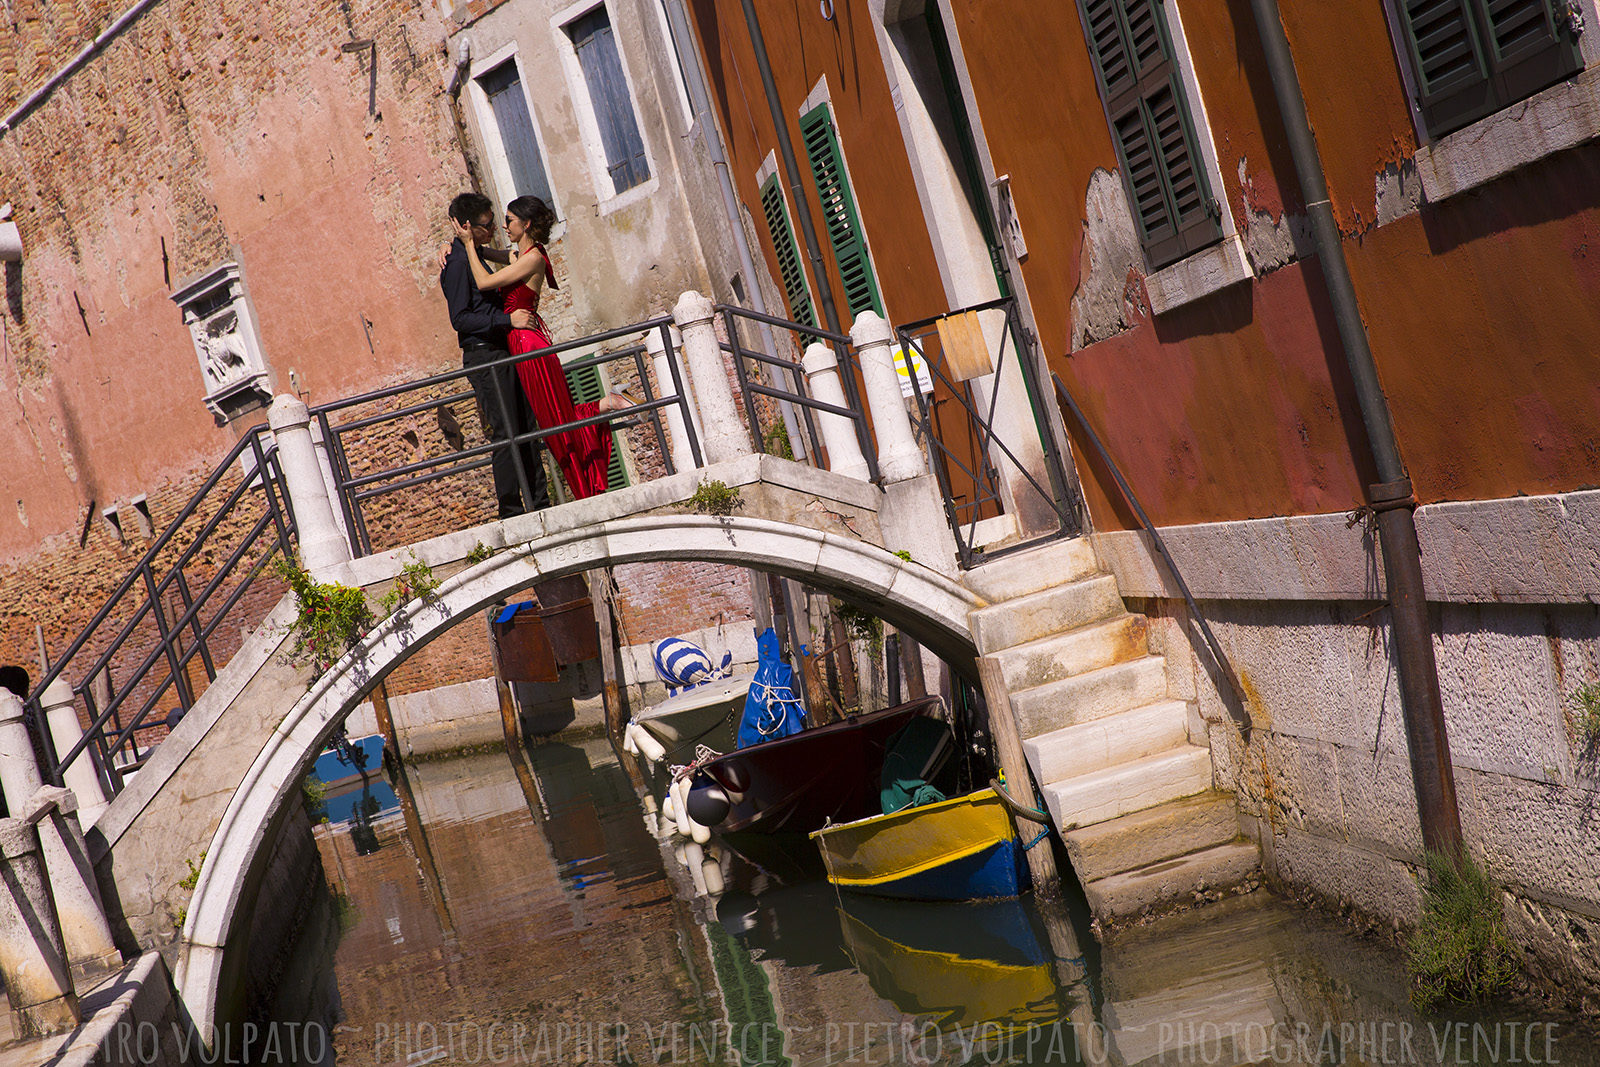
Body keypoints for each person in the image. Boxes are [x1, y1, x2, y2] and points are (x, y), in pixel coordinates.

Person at [452, 196, 634, 500]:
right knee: (550, 420)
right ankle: (606, 407)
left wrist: (468, 245)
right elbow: (488, 253)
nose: (504, 226)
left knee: (554, 420)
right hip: (520, 344)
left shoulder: (533, 258)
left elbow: (484, 283)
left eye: (509, 220)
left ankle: (609, 404)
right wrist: (458, 245)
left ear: (527, 224)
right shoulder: (517, 256)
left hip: (527, 344)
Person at [440, 192, 550, 518]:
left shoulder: (472, 254)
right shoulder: (458, 264)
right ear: (466, 226)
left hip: (501, 352)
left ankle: (540, 503)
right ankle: (512, 511)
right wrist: (507, 319)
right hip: (484, 356)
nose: (492, 231)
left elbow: (505, 259)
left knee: (526, 428)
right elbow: (460, 319)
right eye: (486, 227)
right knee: (505, 432)